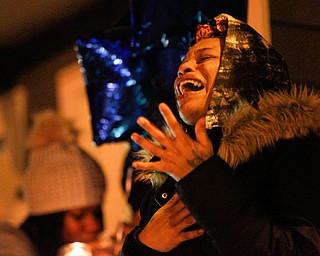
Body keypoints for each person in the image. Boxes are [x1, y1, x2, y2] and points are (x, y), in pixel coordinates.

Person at [121, 13, 320, 255]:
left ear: (243, 70)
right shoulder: (167, 178)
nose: (182, 68)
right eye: (182, 63)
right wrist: (144, 244)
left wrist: (201, 178)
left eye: (204, 57)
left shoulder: (292, 149)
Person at [20, 110, 107, 256]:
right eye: (78, 216)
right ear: (50, 221)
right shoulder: (11, 246)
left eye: (97, 213)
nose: (93, 226)